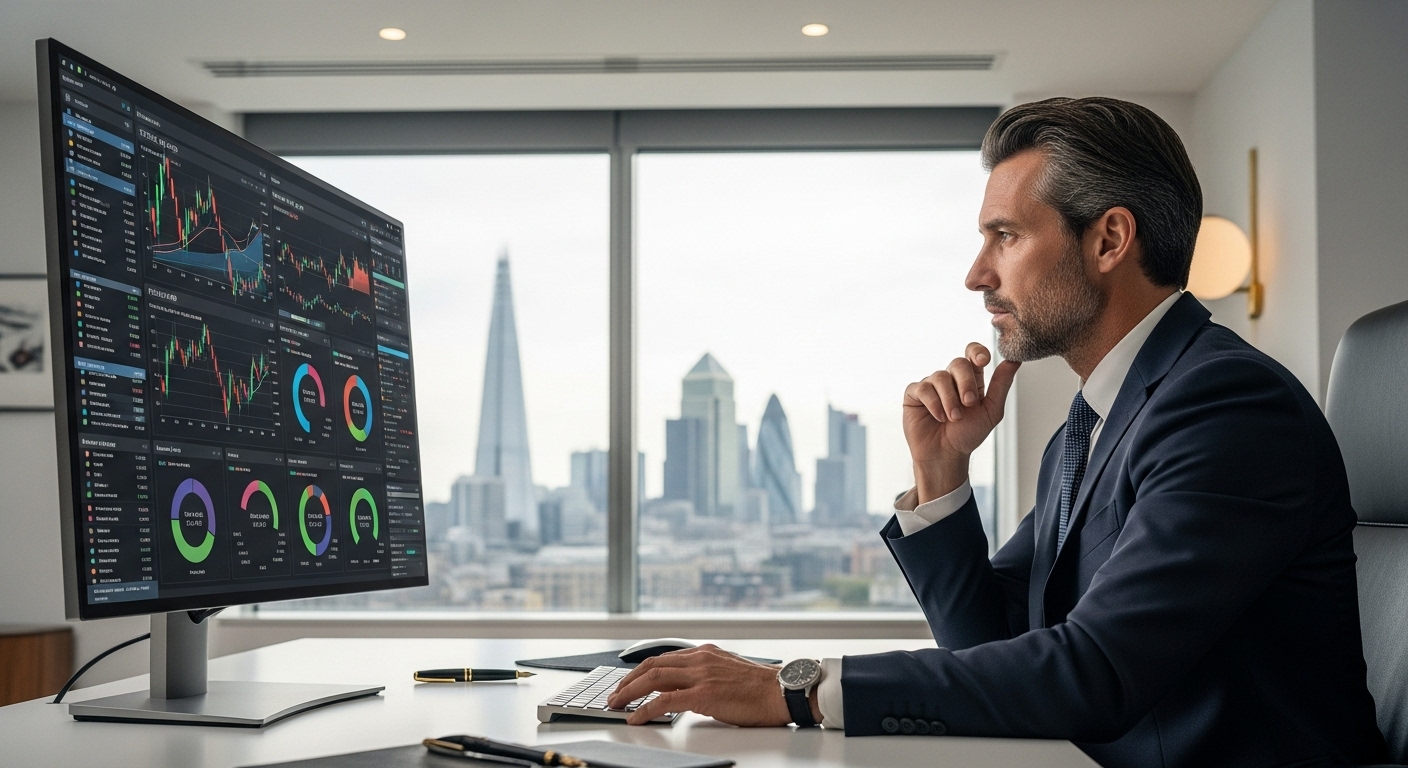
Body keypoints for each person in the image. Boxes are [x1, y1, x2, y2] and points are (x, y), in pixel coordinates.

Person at [607, 97, 1389, 767]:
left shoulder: (1225, 405)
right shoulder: (1090, 424)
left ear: (1109, 240)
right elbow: (989, 648)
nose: (977, 274)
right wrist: (943, 476)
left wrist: (795, 688)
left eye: (1005, 236)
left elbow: (1096, 672)